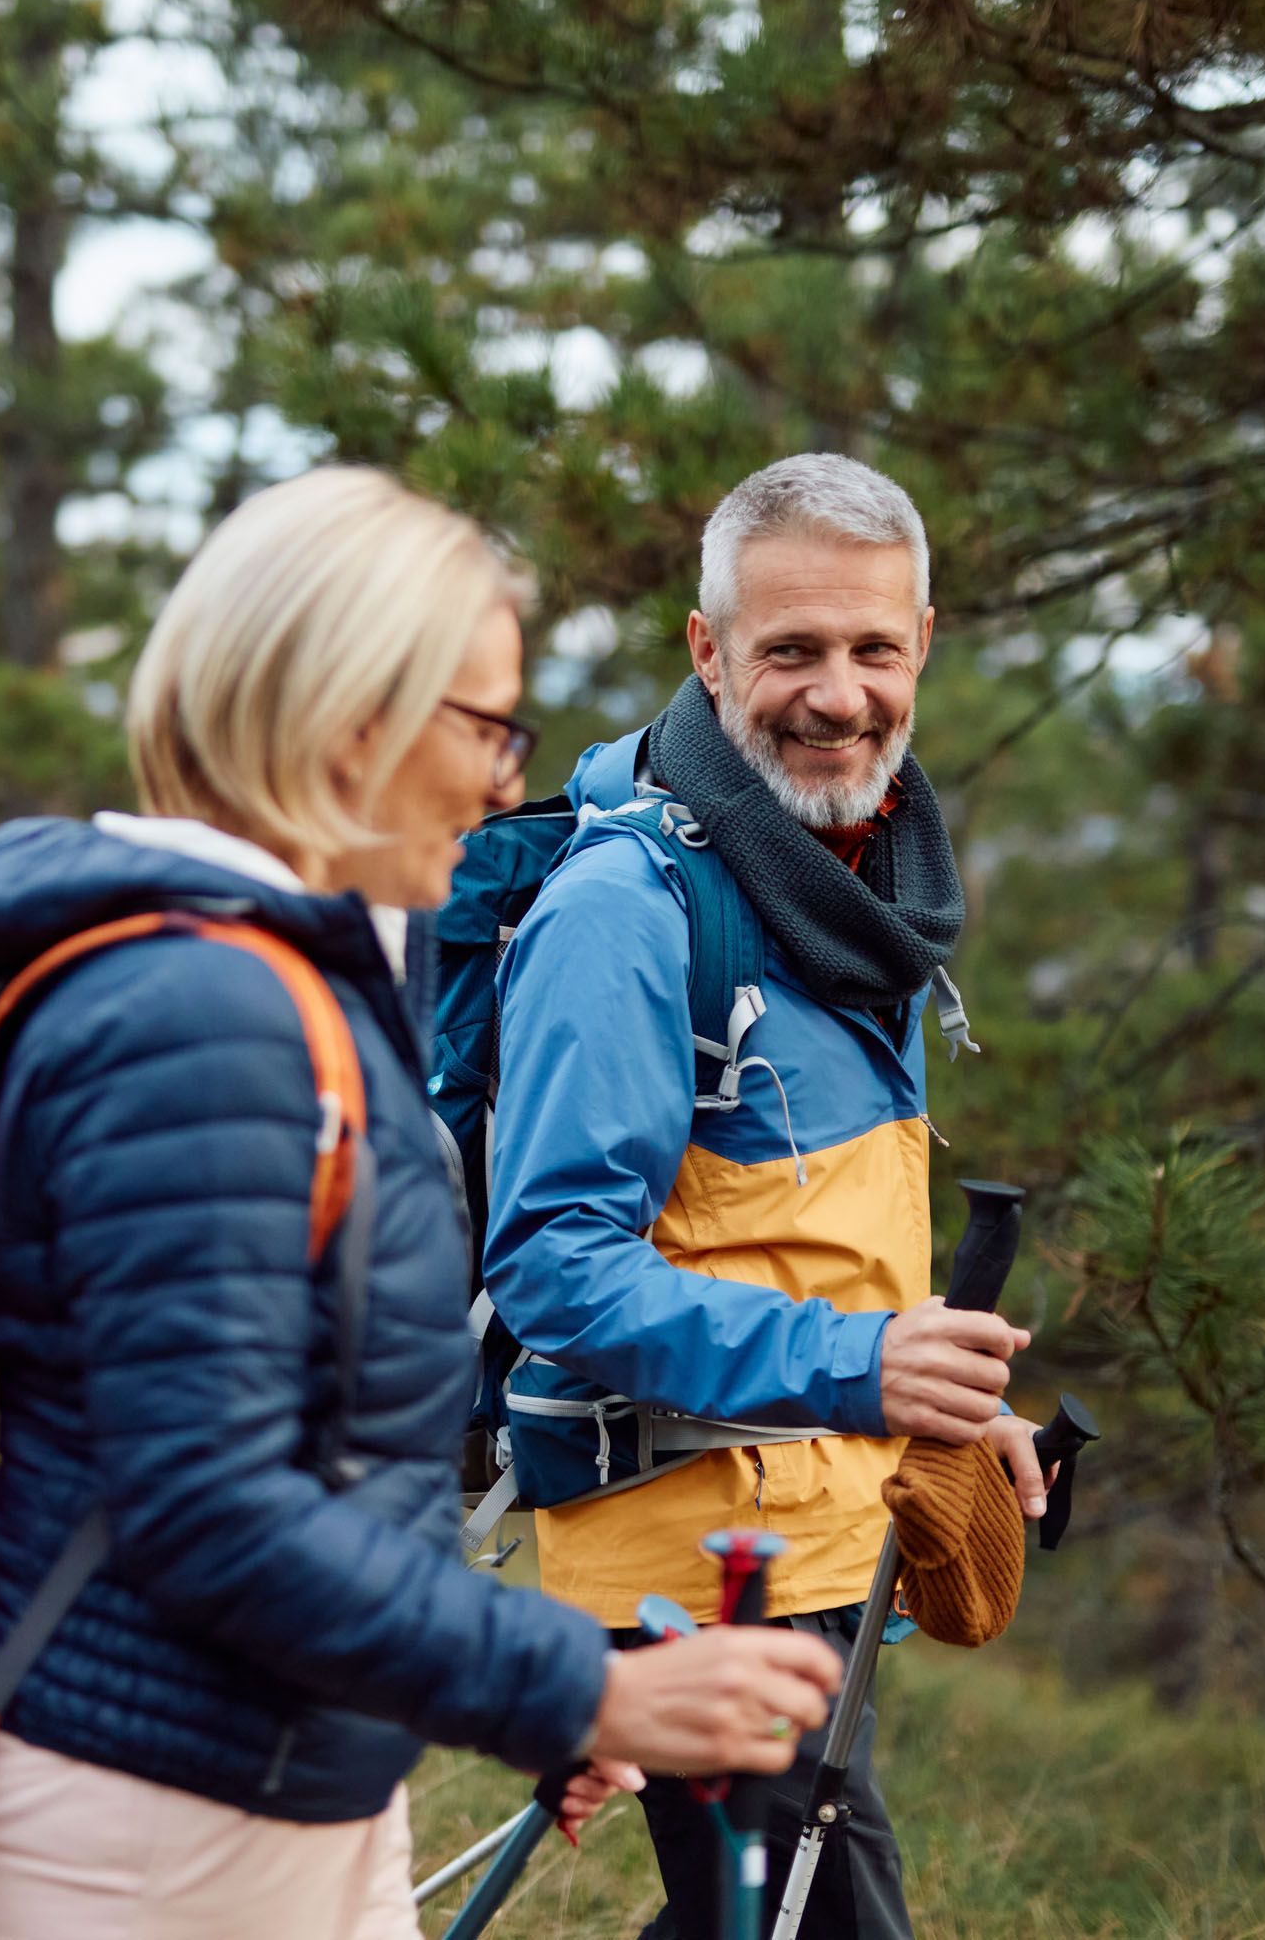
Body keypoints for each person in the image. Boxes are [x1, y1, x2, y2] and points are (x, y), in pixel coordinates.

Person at [0, 466, 843, 1940]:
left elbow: (336, 1460)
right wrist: (582, 1678)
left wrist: (525, 1695)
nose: (497, 780)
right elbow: (207, 1510)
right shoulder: (194, 1012)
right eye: (484, 725)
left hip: (270, 1794)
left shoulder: (282, 987)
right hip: (143, 1837)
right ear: (350, 719)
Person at [483, 453, 1052, 1940]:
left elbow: (799, 1240)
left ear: (922, 640)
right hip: (690, 1558)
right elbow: (555, 1264)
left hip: (817, 1535)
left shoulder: (864, 892)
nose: (837, 693)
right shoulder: (626, 905)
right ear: (706, 650)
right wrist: (863, 1367)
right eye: (789, 648)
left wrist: (924, 1392)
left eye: (871, 648)